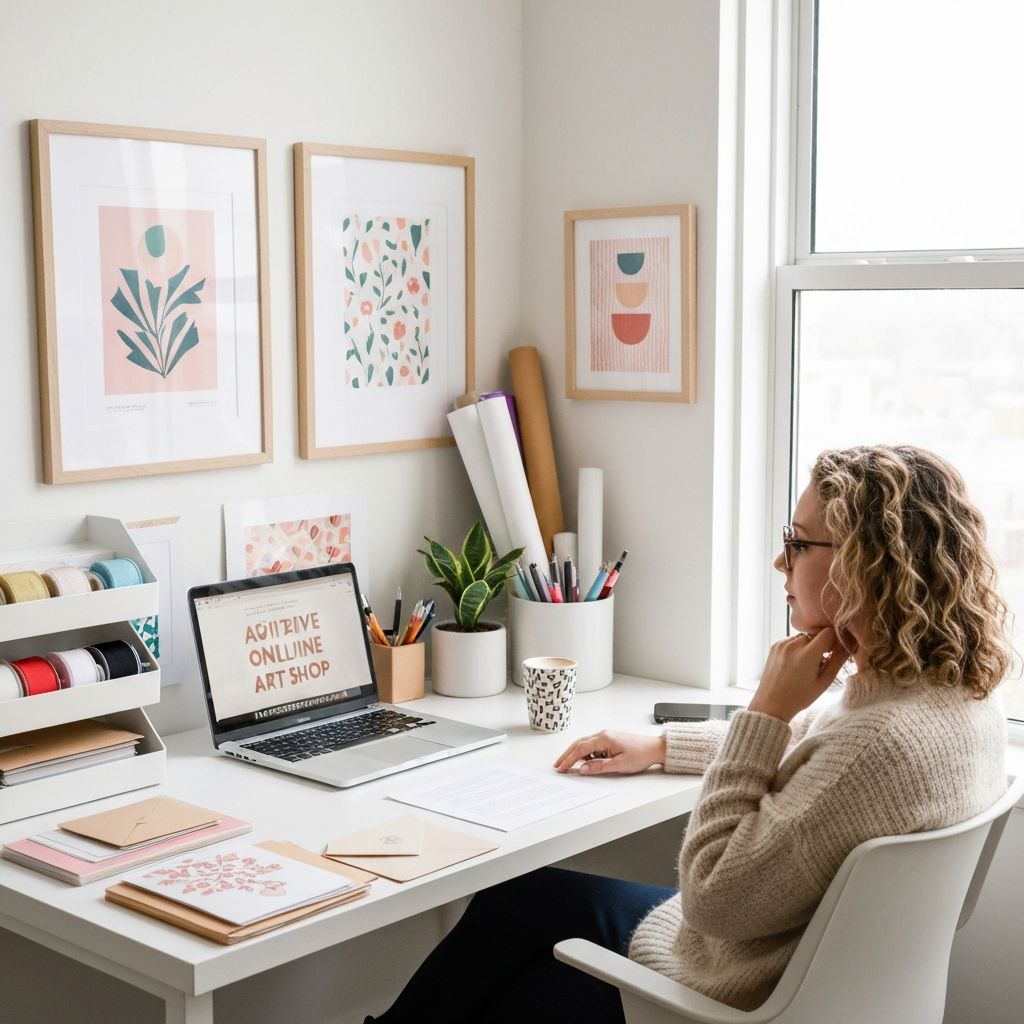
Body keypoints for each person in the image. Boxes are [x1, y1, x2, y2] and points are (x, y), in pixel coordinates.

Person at [369, 445, 1012, 1023]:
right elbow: (813, 763)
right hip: (817, 982)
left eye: (799, 542)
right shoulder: (948, 694)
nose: (778, 560)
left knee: (511, 972)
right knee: (524, 900)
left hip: (727, 994)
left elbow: (711, 899)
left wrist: (764, 710)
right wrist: (662, 746)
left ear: (866, 565)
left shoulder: (877, 746)